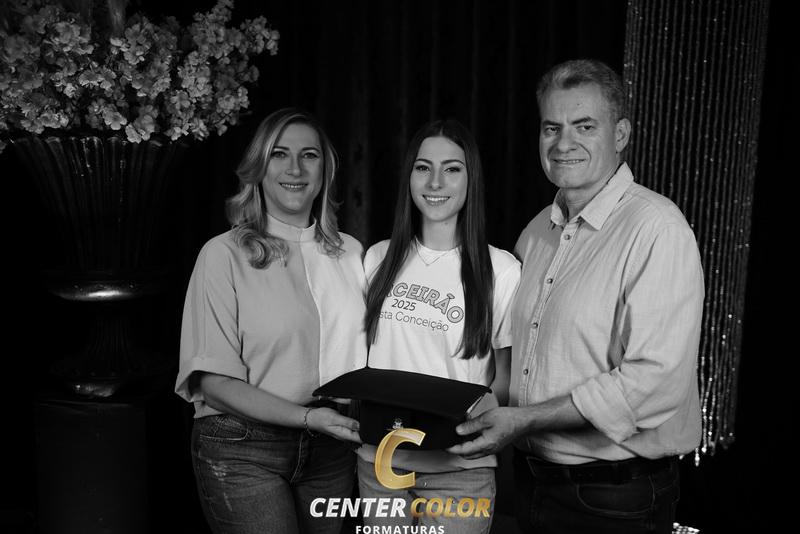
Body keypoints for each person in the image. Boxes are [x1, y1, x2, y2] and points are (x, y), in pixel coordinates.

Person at [448, 59, 705, 534]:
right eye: (552, 127)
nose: (563, 143)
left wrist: (525, 420)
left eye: (584, 126)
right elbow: (511, 357)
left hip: (614, 499)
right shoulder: (535, 234)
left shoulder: (656, 229)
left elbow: (655, 382)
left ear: (621, 134)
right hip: (530, 485)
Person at [175, 108, 367, 534]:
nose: (295, 168)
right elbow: (213, 384)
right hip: (244, 446)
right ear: (259, 168)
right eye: (279, 154)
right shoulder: (222, 255)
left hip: (331, 447)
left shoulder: (352, 254)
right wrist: (307, 418)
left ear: (325, 170)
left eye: (309, 155)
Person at [358, 119, 521, 534]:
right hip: (380, 466)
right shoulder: (377, 259)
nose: (435, 182)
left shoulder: (500, 270)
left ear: (471, 179)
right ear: (409, 176)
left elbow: (504, 380)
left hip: (460, 472)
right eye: (423, 167)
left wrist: (473, 422)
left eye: (452, 169)